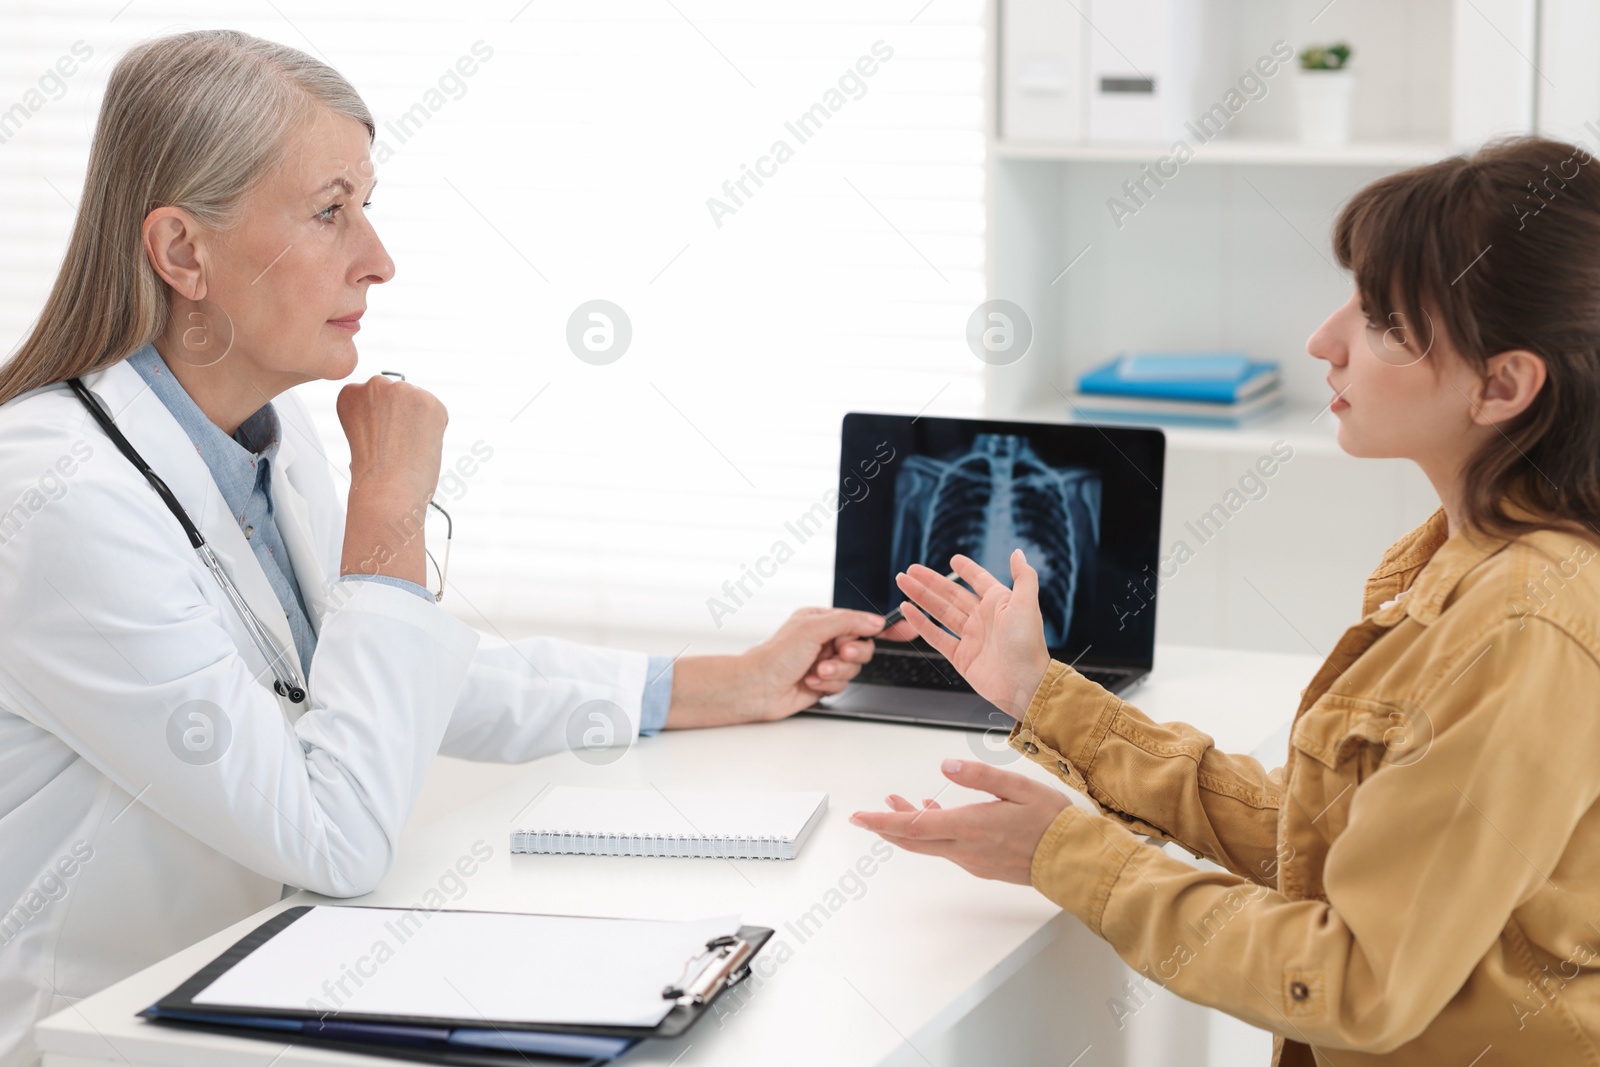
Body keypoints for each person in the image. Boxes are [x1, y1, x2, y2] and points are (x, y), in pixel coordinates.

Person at [0, 30, 893, 1066]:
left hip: (256, 992)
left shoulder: (259, 442)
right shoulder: (54, 493)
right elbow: (332, 837)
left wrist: (717, 682)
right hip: (97, 1039)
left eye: (365, 207)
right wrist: (389, 510)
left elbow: (381, 678)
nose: (378, 257)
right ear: (182, 252)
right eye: (330, 210)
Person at [852, 135, 1600, 1065]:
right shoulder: (1462, 561)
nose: (1324, 341)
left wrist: (1064, 854)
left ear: (1504, 384)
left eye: (1382, 321)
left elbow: (1357, 981)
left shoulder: (1526, 623)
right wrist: (1045, 695)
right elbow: (1320, 839)